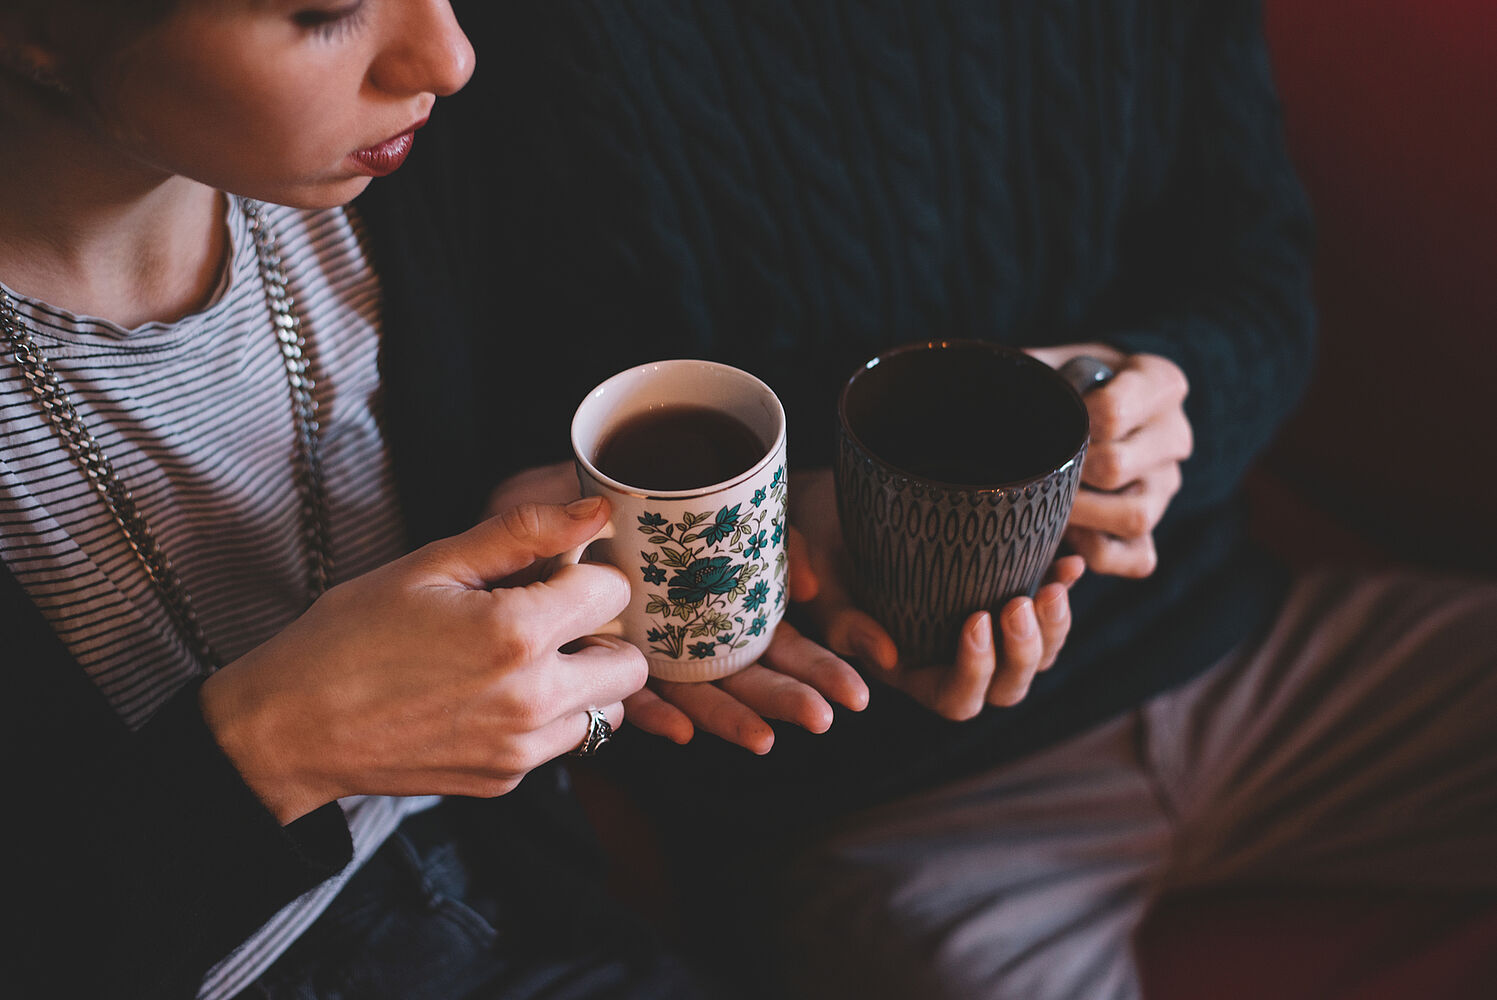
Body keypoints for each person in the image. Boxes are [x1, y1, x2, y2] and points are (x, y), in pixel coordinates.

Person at [447, 2, 1497, 998]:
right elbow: (514, 442)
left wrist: (1175, 400)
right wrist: (805, 548)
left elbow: (1261, 267)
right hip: (871, 797)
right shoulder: (529, 44)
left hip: (1246, 655)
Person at [0, 2, 883, 998]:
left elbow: (536, 401)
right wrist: (268, 750)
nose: (450, 56)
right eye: (325, 12)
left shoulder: (398, 175)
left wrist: (527, 538)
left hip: (524, 896)